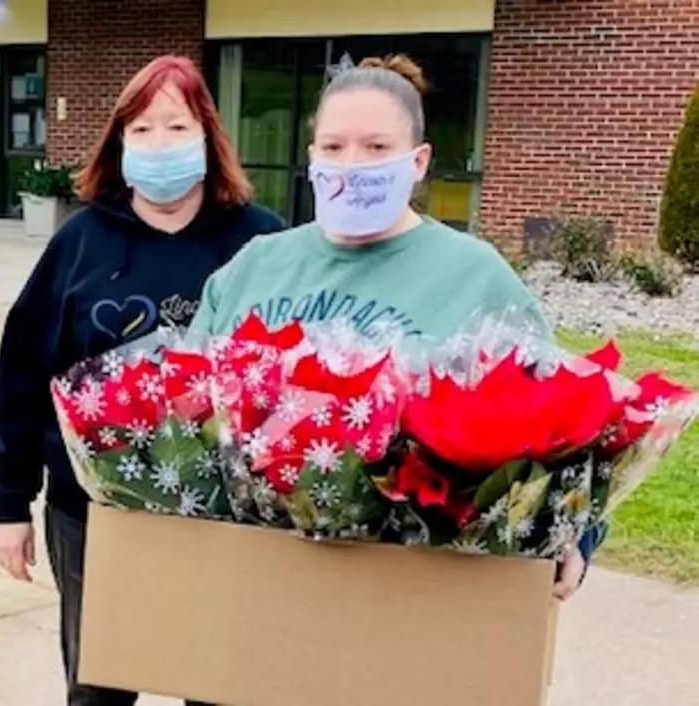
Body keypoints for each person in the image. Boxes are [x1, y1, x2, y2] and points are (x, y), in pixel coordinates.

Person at [186, 54, 604, 599]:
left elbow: (555, 430)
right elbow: (181, 410)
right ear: (312, 157)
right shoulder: (254, 267)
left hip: (404, 595)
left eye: (377, 147)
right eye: (334, 147)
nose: (352, 164)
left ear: (419, 161)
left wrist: (577, 532)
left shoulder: (475, 277)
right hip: (254, 583)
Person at [0, 55, 285, 706]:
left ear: (208, 134)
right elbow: (25, 373)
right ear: (119, 143)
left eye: (176, 127)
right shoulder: (80, 241)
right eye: (141, 130)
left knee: (220, 686)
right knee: (98, 690)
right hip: (94, 516)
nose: (158, 145)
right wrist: (11, 500)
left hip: (225, 523)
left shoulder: (261, 244)